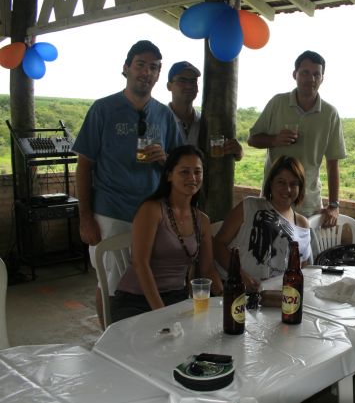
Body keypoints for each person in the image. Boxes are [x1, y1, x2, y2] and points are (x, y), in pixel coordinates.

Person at [73, 40, 184, 328]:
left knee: (148, 280)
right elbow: (84, 166)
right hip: (112, 213)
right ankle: (108, 340)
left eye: (153, 68)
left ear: (158, 75)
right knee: (111, 284)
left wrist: (165, 160)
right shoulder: (103, 109)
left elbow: (181, 167)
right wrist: (85, 217)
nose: (146, 72)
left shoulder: (164, 115)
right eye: (140, 65)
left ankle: (141, 339)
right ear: (126, 69)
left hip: (154, 214)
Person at [111, 145, 223, 322]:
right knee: (162, 337)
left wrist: (227, 297)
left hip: (176, 298)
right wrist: (161, 314)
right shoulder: (152, 209)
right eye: (184, 172)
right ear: (169, 175)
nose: (192, 178)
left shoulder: (202, 220)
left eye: (197, 172)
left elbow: (208, 268)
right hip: (136, 299)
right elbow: (140, 263)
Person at [247, 50, 346, 228]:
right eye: (305, 72)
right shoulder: (278, 103)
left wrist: (333, 205)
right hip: (273, 198)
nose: (311, 79)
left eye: (316, 74)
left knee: (304, 246)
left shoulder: (330, 114)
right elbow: (252, 139)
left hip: (308, 202)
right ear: (295, 74)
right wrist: (274, 140)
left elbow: (333, 164)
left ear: (322, 78)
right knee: (266, 244)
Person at [214, 155, 312, 292]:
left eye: (293, 184)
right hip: (238, 291)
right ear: (271, 183)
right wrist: (241, 276)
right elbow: (217, 244)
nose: (287, 189)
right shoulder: (249, 206)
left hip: (279, 295)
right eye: (281, 182)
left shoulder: (302, 223)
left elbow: (303, 269)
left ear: (300, 188)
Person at [167, 61, 243, 160]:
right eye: (182, 80)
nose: (189, 86)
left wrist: (238, 153)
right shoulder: (160, 118)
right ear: (169, 86)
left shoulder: (204, 121)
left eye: (193, 81)